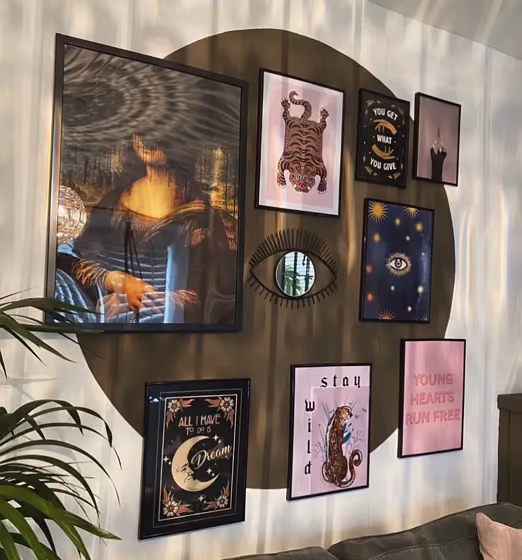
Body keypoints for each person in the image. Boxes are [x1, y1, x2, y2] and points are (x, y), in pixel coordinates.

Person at [55, 133, 237, 325]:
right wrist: (116, 281)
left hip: (164, 325)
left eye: (160, 129)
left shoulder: (201, 215)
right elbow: (79, 259)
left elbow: (215, 297)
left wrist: (143, 299)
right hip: (106, 316)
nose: (148, 139)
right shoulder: (112, 202)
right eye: (141, 132)